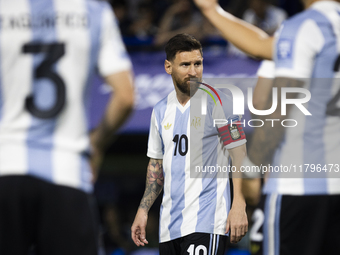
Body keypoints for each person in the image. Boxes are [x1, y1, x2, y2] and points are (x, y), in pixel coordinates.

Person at [194, 0, 340, 254]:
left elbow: (270, 103)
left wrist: (251, 170)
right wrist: (212, 11)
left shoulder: (301, 28)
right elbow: (263, 45)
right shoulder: (320, 30)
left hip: (296, 187)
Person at [0, 0, 134, 254]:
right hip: (67, 172)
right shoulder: (94, 11)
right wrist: (97, 143)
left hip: (5, 167)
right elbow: (126, 97)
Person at [131, 33, 248, 254]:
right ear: (168, 67)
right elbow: (156, 166)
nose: (193, 71)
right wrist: (143, 210)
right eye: (185, 65)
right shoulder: (160, 110)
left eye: (198, 64)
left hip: (207, 222)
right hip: (169, 228)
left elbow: (239, 154)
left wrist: (238, 204)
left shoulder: (220, 102)